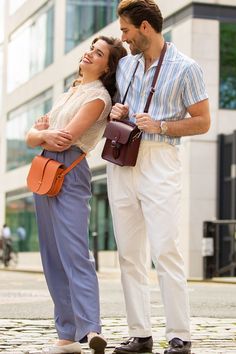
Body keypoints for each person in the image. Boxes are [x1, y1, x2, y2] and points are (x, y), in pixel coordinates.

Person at [107, 1, 211, 354]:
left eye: (126, 31)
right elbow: (115, 108)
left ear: (145, 27)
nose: (123, 38)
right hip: (122, 161)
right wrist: (117, 110)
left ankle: (180, 335)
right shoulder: (125, 66)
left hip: (160, 158)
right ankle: (140, 334)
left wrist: (163, 125)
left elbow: (203, 121)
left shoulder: (186, 68)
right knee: (129, 255)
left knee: (166, 249)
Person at [26, 36, 127, 354]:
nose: (89, 53)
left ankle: (91, 327)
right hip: (44, 170)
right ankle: (67, 334)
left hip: (68, 171)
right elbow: (33, 137)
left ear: (107, 66)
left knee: (74, 252)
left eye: (98, 53)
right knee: (52, 255)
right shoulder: (69, 92)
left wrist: (41, 133)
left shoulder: (98, 98)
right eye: (91, 48)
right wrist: (41, 133)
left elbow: (64, 138)